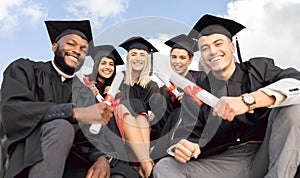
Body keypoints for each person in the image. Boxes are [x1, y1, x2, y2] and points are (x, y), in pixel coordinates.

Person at [153, 14, 300, 178]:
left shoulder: (259, 69)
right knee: (166, 167)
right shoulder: (197, 93)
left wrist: (248, 100)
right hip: (225, 163)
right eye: (205, 48)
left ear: (231, 47)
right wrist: (185, 147)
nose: (212, 51)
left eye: (218, 44)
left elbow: (296, 84)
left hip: (268, 151)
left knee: (294, 107)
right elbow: (189, 133)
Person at [0, 20, 115, 178]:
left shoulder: (83, 93)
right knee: (62, 127)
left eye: (83, 49)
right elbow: (12, 110)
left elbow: (86, 138)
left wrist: (101, 158)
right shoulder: (25, 69)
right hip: (24, 154)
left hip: (69, 159)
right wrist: (73, 112)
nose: (77, 51)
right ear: (54, 46)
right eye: (71, 44)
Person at [83, 44, 141, 178]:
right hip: (93, 139)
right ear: (96, 65)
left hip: (116, 140)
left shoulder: (118, 87)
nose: (108, 67)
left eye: (111, 64)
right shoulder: (86, 84)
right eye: (103, 63)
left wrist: (117, 96)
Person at [150, 34, 207, 161]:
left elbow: (208, 105)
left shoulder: (201, 78)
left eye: (182, 57)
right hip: (166, 135)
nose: (177, 61)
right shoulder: (166, 85)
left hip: (192, 134)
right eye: (174, 57)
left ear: (190, 60)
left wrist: (190, 98)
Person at [116, 36, 167, 178]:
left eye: (142, 55)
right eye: (133, 54)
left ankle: (143, 162)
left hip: (145, 128)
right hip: (119, 127)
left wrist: (153, 114)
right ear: (128, 59)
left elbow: (158, 111)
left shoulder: (152, 86)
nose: (137, 58)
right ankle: (146, 162)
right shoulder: (118, 79)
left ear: (147, 60)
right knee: (125, 106)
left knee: (138, 108)